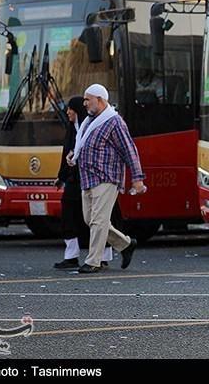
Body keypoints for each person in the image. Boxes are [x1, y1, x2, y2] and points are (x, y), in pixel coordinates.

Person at [68, 84, 145, 274]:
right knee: (90, 219)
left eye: (88, 99)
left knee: (98, 220)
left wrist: (137, 179)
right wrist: (73, 155)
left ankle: (93, 261)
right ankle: (126, 245)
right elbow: (83, 145)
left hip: (107, 178)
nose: (84, 103)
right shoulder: (89, 121)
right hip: (88, 179)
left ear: (100, 100)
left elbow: (130, 151)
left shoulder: (114, 122)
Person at [53, 97, 115, 270]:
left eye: (71, 109)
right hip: (75, 178)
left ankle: (103, 256)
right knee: (73, 214)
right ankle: (71, 254)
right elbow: (67, 152)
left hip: (96, 178)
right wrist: (62, 176)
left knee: (97, 219)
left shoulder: (95, 125)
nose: (68, 112)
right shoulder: (73, 129)